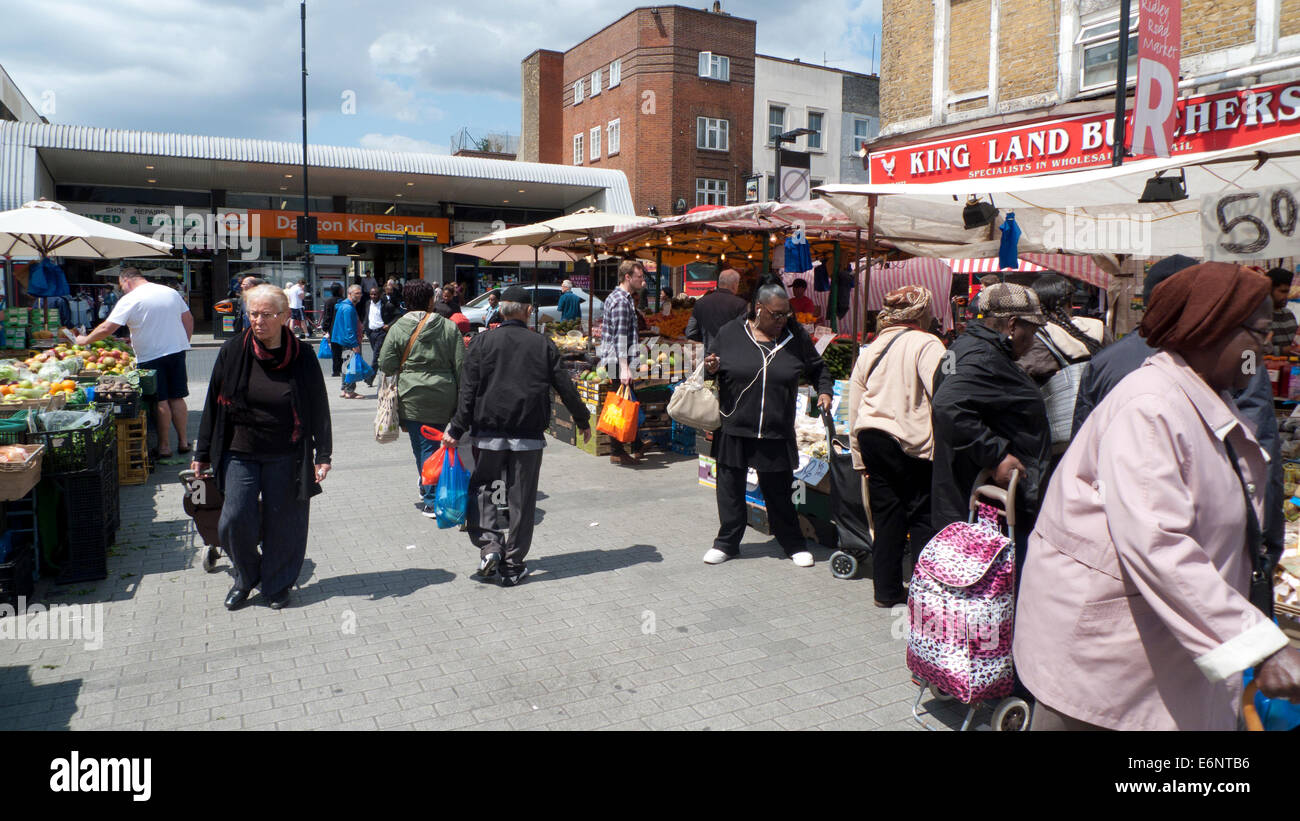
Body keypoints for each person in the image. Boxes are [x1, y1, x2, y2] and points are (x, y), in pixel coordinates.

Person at [1014, 263, 1300, 730]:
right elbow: (1158, 544)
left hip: (1156, 648)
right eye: (1259, 334)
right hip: (1108, 663)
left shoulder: (1206, 394)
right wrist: (1261, 645)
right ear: (1213, 330)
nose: (1263, 350)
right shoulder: (1152, 407)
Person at [1072, 255, 1285, 563]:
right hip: (1205, 547)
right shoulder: (1244, 361)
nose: (1261, 344)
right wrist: (1266, 541)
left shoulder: (1105, 361)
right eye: (1259, 333)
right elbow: (1260, 437)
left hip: (1111, 542)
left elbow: (1081, 442)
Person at [190, 285, 331, 611]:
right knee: (233, 519)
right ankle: (246, 576)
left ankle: (278, 584)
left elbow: (319, 407)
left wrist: (323, 455)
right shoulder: (233, 351)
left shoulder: (302, 356)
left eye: (266, 315)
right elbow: (213, 405)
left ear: (284, 317)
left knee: (285, 523)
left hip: (287, 452)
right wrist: (201, 453)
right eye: (253, 314)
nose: (258, 321)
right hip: (239, 450)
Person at [441, 286, 593, 586]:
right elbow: (565, 386)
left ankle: (489, 545)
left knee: (483, 488)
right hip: (528, 434)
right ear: (527, 311)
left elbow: (468, 392)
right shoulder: (542, 344)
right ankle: (512, 565)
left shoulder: (482, 342)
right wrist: (582, 419)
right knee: (521, 498)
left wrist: (456, 428)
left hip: (489, 433)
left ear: (500, 310)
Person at [702, 283, 833, 568]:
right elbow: (709, 379)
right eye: (776, 315)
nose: (782, 320)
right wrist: (709, 370)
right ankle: (727, 543)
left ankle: (792, 543)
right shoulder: (730, 333)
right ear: (759, 309)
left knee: (779, 492)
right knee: (730, 489)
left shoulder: (795, 337)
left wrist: (824, 391)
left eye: (786, 314)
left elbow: (819, 368)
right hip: (734, 426)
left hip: (776, 429)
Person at [930, 283, 1051, 574]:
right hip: (990, 507)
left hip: (973, 498)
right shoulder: (982, 356)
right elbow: (947, 405)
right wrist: (996, 454)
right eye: (1031, 331)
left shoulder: (964, 347)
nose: (1032, 341)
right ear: (1012, 324)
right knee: (999, 591)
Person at [849, 286, 946, 607]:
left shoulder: (872, 347)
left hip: (872, 438)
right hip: (910, 442)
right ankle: (923, 595)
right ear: (921, 312)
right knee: (921, 516)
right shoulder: (928, 343)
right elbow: (943, 392)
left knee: (887, 518)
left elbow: (854, 403)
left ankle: (886, 592)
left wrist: (857, 457)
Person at [76, 268, 195, 457]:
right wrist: (183, 342)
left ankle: (164, 446)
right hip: (176, 352)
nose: (122, 289)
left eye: (121, 285)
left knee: (161, 400)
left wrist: (85, 340)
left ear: (126, 280)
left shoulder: (131, 298)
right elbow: (188, 319)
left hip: (151, 356)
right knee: (178, 397)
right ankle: (182, 441)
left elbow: (108, 327)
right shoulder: (170, 292)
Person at [377, 280, 466, 518]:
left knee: (423, 446)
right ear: (430, 300)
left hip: (412, 395)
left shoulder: (398, 327)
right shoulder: (449, 327)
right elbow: (461, 365)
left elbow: (386, 363)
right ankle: (428, 484)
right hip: (444, 395)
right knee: (430, 445)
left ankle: (430, 497)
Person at [599, 260, 651, 465]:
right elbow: (621, 336)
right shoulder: (621, 301)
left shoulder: (620, 297)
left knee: (626, 401)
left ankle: (635, 445)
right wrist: (624, 367)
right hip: (618, 360)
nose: (643, 280)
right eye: (640, 276)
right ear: (628, 277)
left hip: (616, 360)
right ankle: (617, 450)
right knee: (619, 405)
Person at [1015, 273, 1105, 384]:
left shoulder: (1037, 335)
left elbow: (1028, 369)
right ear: (1069, 302)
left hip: (1057, 398)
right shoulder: (1099, 328)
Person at [686, 268, 749, 352]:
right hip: (731, 356)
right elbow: (745, 333)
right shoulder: (740, 304)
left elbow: (690, 331)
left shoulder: (700, 303)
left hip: (706, 355)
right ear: (734, 285)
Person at [330, 285, 364, 399]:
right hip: (349, 341)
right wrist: (354, 344)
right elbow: (349, 328)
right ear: (349, 294)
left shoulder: (344, 305)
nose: (359, 295)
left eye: (360, 293)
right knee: (351, 366)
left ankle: (344, 389)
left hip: (344, 340)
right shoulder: (348, 308)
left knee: (346, 365)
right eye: (356, 293)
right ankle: (350, 391)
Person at [363, 284, 399, 389]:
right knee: (378, 356)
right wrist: (365, 328)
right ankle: (383, 373)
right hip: (371, 333)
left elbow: (398, 315)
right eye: (371, 294)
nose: (373, 296)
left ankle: (370, 378)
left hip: (381, 333)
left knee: (376, 356)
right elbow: (366, 316)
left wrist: (389, 325)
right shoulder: (368, 303)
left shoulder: (387, 305)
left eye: (375, 294)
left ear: (380, 295)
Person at [1268, 267, 1297, 355]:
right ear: (1268, 289)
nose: (1286, 296)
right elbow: (1254, 350)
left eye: (1287, 292)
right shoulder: (1258, 318)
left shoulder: (1288, 314)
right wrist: (1286, 350)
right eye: (1283, 291)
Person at [321, 283, 345, 375]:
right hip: (343, 328)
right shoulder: (344, 300)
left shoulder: (329, 301)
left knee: (335, 350)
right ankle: (344, 368)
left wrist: (325, 328)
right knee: (344, 349)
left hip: (333, 328)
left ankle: (336, 370)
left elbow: (327, 316)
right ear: (340, 290)